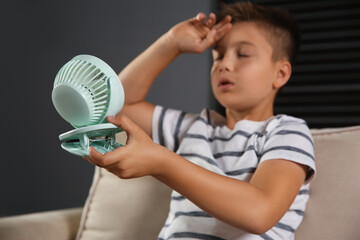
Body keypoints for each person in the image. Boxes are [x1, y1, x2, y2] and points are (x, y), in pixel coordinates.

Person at [85, 2, 316, 239]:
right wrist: (171, 43)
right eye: (218, 56)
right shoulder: (192, 129)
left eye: (243, 54)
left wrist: (162, 162)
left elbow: (259, 213)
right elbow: (117, 104)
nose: (224, 65)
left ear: (281, 73)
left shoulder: (287, 131)